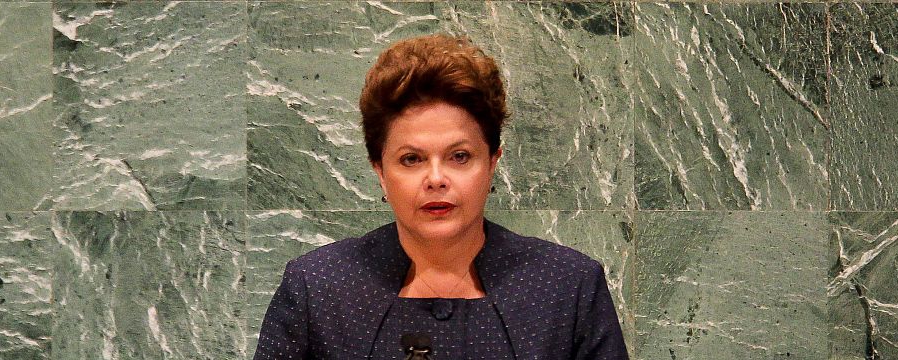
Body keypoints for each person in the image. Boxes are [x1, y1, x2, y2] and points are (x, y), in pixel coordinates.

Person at [254, 34, 628, 359]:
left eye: (459, 156)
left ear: (493, 162)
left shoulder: (567, 286)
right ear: (380, 171)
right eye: (411, 159)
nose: (436, 179)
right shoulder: (318, 286)